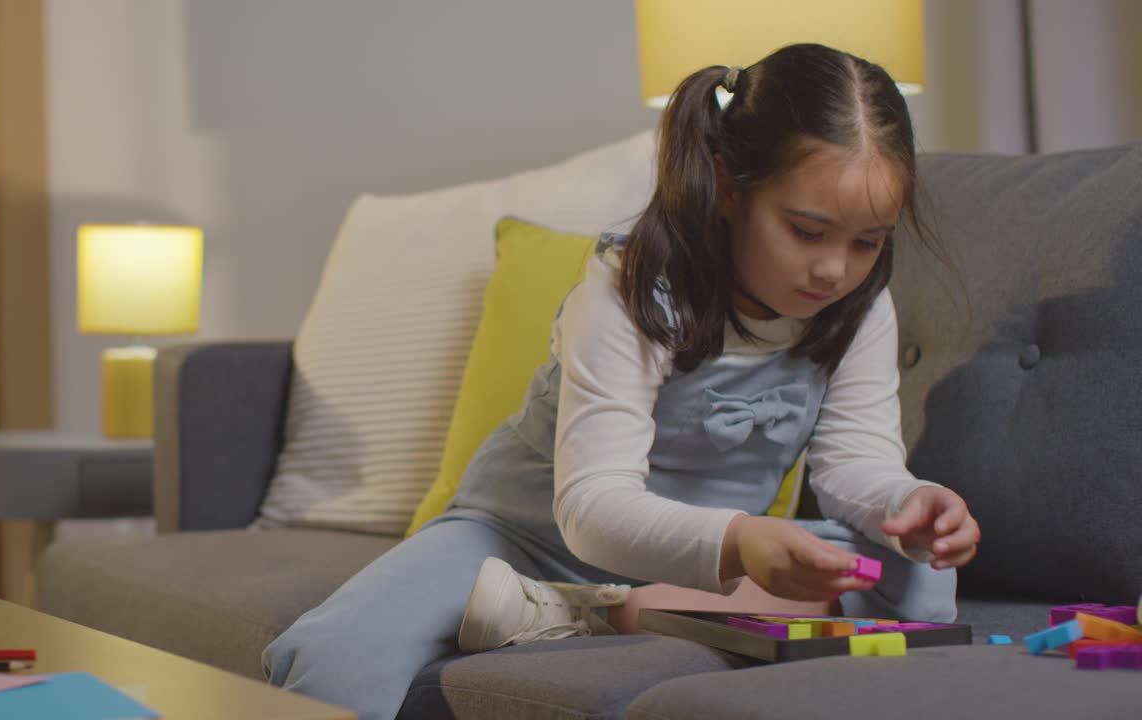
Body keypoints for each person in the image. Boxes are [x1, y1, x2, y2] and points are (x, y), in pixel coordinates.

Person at [263, 43, 982, 720]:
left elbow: (855, 462)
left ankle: (587, 611)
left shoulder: (858, 305)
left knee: (917, 578)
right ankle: (589, 599)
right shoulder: (635, 284)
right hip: (526, 539)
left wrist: (908, 501)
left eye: (868, 242)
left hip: (707, 559)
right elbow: (593, 507)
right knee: (330, 658)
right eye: (807, 231)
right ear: (730, 186)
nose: (835, 270)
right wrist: (741, 541)